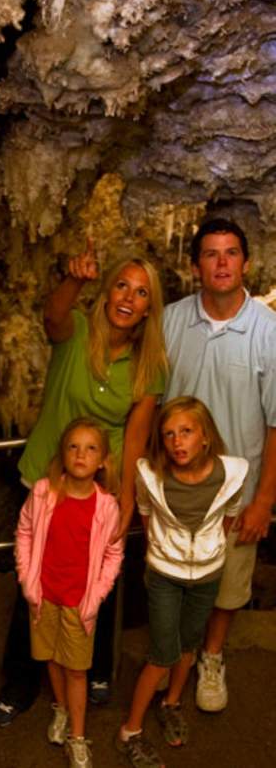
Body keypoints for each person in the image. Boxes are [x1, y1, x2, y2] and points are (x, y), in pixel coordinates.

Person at [0, 242, 167, 726]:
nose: (128, 298)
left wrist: (126, 499)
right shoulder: (78, 333)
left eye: (141, 293)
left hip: (100, 489)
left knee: (97, 584)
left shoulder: (149, 366)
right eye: (121, 286)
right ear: (107, 291)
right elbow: (53, 317)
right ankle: (20, 680)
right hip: (49, 480)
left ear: (151, 307)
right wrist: (75, 281)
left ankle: (93, 671)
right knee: (36, 584)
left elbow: (134, 437)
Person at [163, 217, 276, 713]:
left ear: (246, 263)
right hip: (174, 485)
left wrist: (265, 500)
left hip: (237, 490)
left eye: (231, 253)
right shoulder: (169, 322)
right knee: (173, 576)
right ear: (195, 266)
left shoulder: (269, 332)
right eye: (211, 254)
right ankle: (174, 656)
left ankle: (211, 656)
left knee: (229, 584)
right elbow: (149, 406)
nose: (222, 262)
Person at [116, 396, 247, 767]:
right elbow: (144, 511)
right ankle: (130, 731)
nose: (177, 441)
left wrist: (209, 550)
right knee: (162, 654)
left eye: (186, 432)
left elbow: (229, 515)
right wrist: (161, 549)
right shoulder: (151, 474)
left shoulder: (233, 472)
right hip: (164, 575)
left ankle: (171, 703)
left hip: (207, 574)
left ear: (205, 437)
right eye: (169, 434)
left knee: (189, 643)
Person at [16, 418, 124, 768]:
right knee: (51, 656)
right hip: (44, 596)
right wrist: (28, 581)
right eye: (73, 446)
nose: (81, 454)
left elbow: (113, 554)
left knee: (77, 670)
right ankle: (60, 709)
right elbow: (25, 532)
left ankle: (78, 736)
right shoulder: (44, 492)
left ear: (103, 461)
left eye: (91, 448)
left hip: (80, 603)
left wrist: (96, 596)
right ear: (63, 455)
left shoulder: (106, 506)